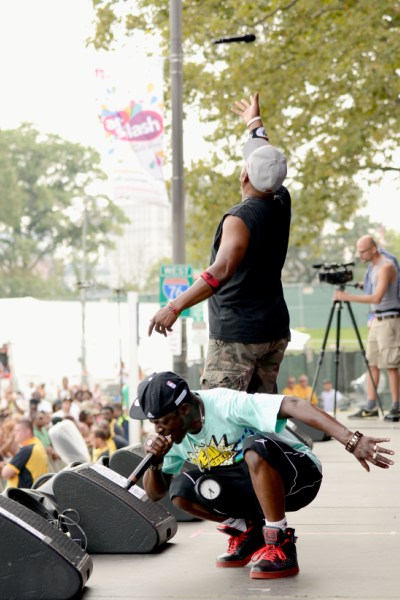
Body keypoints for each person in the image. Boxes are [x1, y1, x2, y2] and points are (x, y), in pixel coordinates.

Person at [130, 371, 394, 580]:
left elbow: (293, 404)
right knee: (182, 491)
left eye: (161, 421)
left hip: (298, 477)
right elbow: (155, 494)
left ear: (185, 410)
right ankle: (251, 530)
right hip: (250, 486)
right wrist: (156, 462)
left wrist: (350, 440)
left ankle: (280, 541)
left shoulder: (225, 403)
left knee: (254, 448)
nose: (158, 430)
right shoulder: (173, 438)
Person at [148, 92, 291, 394]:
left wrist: (174, 307)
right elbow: (267, 163)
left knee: (221, 417)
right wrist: (254, 121)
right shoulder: (281, 199)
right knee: (258, 417)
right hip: (273, 330)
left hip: (239, 339)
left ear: (244, 175)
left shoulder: (240, 219)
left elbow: (221, 270)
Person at [334, 236, 400, 421]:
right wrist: (359, 286)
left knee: (391, 364)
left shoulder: (386, 266)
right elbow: (373, 288)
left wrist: (347, 297)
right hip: (376, 320)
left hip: (389, 320)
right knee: (372, 362)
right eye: (358, 250)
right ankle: (370, 406)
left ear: (373, 249)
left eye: (362, 251)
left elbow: (377, 297)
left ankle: (397, 406)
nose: (359, 254)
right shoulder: (372, 267)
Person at [1, 418, 48, 488]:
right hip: (35, 489)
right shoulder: (37, 443)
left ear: (27, 432)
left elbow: (5, 473)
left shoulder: (27, 450)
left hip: (22, 494)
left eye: (17, 431)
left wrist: (4, 465)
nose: (14, 434)